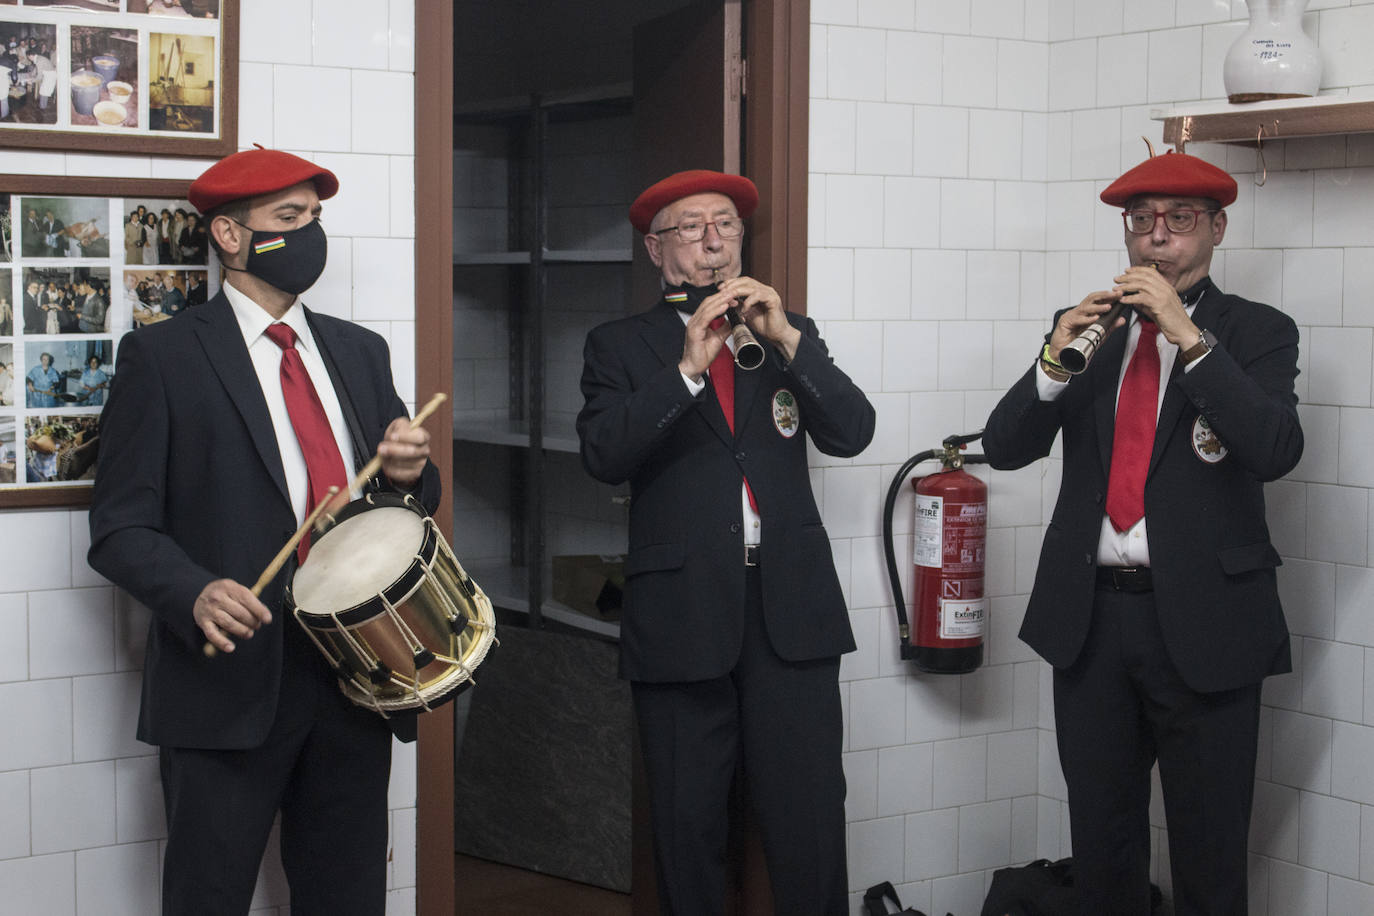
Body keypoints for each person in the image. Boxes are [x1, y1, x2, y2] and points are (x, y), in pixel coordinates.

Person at [87, 147, 439, 915]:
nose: (310, 234)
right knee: (208, 897)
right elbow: (118, 527)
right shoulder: (163, 357)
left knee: (347, 897)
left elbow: (409, 504)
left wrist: (410, 473)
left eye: (315, 217)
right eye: (289, 218)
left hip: (357, 675)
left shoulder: (358, 350)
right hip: (227, 687)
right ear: (230, 235)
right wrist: (194, 591)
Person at [981, 151, 1303, 916]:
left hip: (1207, 626)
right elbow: (1004, 447)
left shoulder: (1257, 332)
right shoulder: (1092, 334)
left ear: (1217, 229)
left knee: (1209, 854)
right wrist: (1054, 364)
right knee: (1103, 852)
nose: (1156, 239)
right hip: (1091, 623)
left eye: (1179, 220)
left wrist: (1187, 335)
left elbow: (1274, 448)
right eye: (1141, 221)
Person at [577, 170, 874, 915]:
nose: (714, 244)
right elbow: (604, 455)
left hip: (791, 612)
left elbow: (852, 431)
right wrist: (685, 369)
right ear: (656, 249)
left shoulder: (785, 333)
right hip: (682, 612)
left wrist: (790, 340)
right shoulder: (621, 345)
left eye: (728, 227)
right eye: (693, 229)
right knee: (687, 824)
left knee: (809, 818)